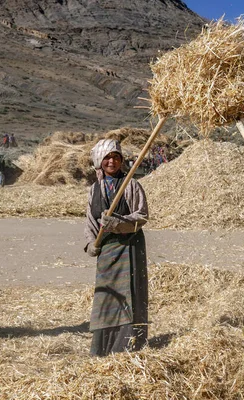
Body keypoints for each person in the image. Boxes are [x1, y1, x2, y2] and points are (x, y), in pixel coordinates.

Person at [84, 139, 149, 357]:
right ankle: (102, 349)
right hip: (107, 251)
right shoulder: (94, 190)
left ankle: (127, 346)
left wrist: (119, 223)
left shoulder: (131, 185)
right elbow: (90, 222)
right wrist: (90, 243)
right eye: (107, 158)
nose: (112, 161)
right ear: (99, 161)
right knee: (107, 296)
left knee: (130, 293)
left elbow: (142, 216)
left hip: (129, 247)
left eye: (116, 157)